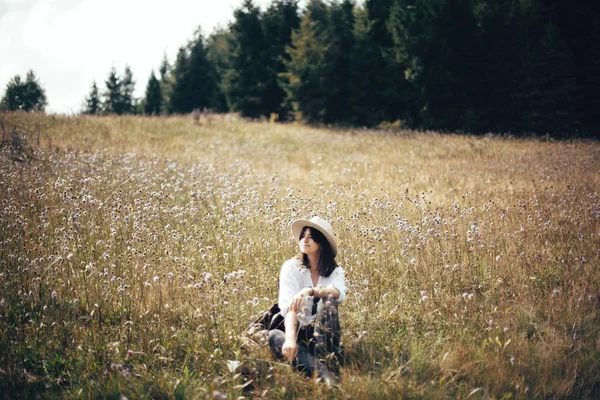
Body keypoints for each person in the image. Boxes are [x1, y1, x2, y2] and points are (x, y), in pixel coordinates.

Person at [268, 216, 346, 385]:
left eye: (311, 236)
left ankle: (319, 360)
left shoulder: (335, 271)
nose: (305, 239)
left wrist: (310, 290)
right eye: (303, 235)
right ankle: (324, 375)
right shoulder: (291, 267)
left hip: (323, 334)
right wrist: (290, 339)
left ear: (322, 242)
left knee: (329, 301)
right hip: (296, 329)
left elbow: (339, 293)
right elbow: (290, 308)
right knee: (274, 335)